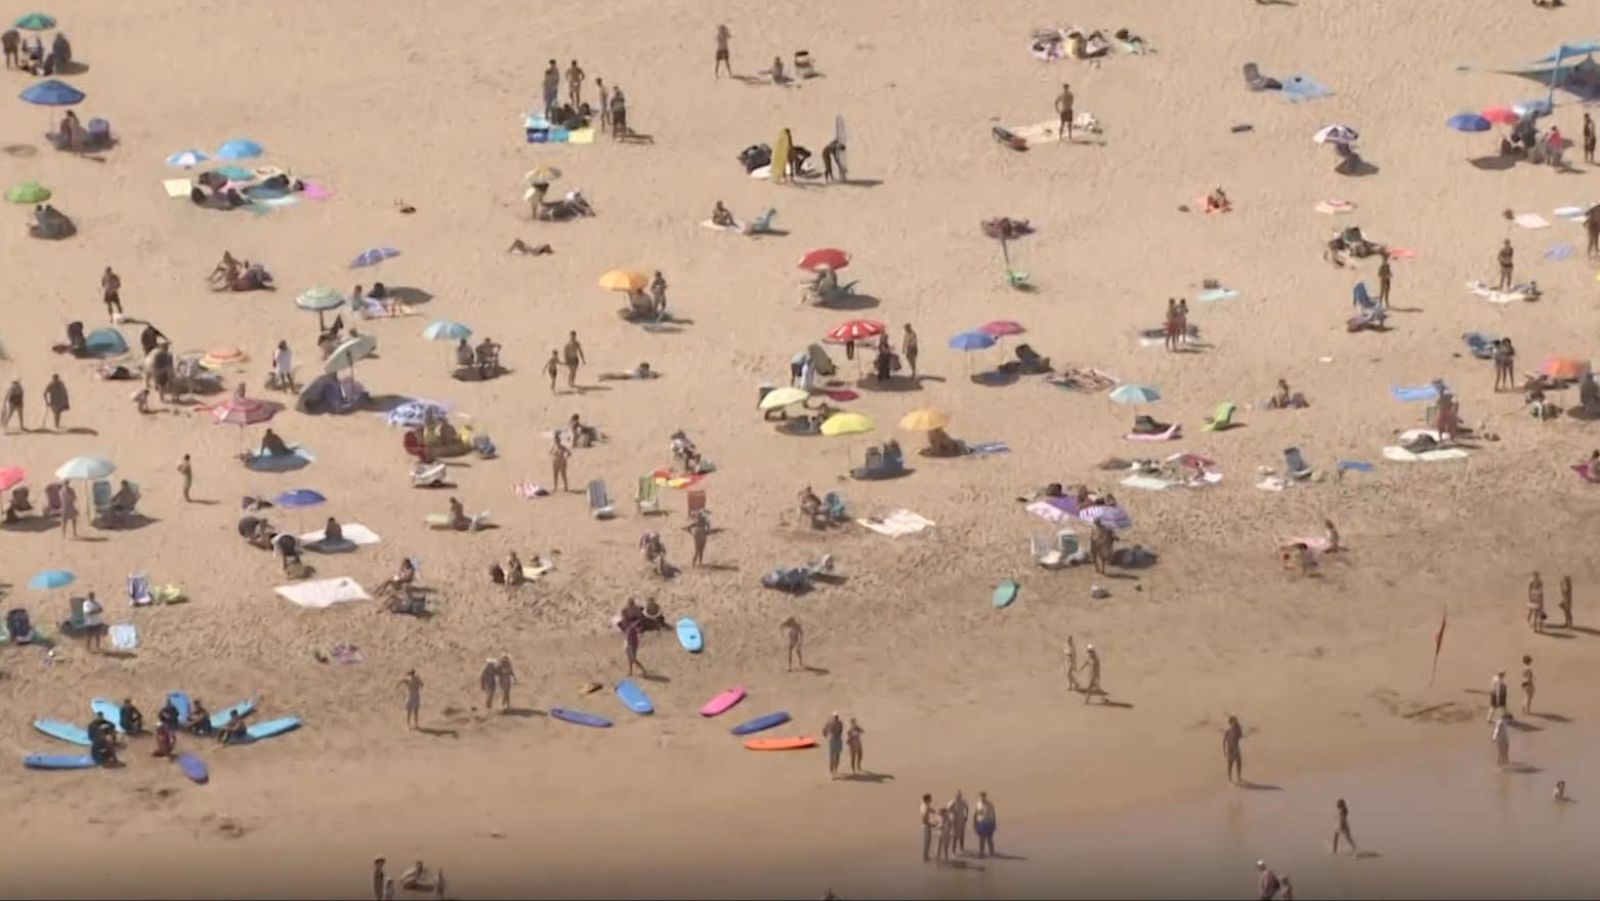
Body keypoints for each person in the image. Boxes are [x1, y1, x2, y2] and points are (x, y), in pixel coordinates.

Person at [973, 792, 997, 857]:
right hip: (981, 823)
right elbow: (975, 814)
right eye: (981, 796)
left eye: (984, 796)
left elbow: (994, 814)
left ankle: (991, 852)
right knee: (981, 838)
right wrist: (974, 824)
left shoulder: (990, 804)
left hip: (989, 822)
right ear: (980, 797)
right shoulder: (977, 804)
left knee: (989, 838)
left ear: (985, 796)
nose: (982, 798)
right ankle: (981, 851)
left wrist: (994, 824)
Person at [822, 713, 845, 779]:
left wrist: (837, 735)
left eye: (837, 717)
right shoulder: (829, 723)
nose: (836, 718)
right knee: (832, 756)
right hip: (832, 739)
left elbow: (841, 730)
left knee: (837, 755)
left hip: (838, 739)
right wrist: (828, 736)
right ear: (832, 717)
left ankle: (835, 770)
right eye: (835, 717)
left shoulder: (840, 723)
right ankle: (831, 772)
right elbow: (824, 731)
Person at [1223, 715, 1244, 784]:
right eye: (1234, 722)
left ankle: (1238, 776)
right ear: (1231, 723)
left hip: (1236, 749)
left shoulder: (1237, 731)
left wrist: (1239, 729)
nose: (1235, 723)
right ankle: (1229, 777)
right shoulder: (1228, 731)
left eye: (1236, 722)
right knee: (1230, 764)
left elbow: (1241, 736)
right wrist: (1224, 750)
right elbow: (1224, 741)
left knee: (1239, 763)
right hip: (1230, 749)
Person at [948, 790, 969, 854]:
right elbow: (948, 810)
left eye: (960, 795)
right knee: (955, 835)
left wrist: (966, 816)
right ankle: (953, 850)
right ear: (955, 796)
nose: (959, 797)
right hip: (955, 820)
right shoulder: (952, 802)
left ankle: (961, 847)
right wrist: (951, 817)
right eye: (958, 796)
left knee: (962, 834)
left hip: (962, 820)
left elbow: (967, 807)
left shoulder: (963, 801)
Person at [919, 794, 937, 861]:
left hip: (925, 825)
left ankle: (926, 856)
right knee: (927, 842)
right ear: (927, 799)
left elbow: (931, 810)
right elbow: (923, 818)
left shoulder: (925, 805)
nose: (931, 800)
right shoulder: (925, 807)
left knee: (928, 841)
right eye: (930, 799)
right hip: (926, 826)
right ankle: (925, 857)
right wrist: (931, 825)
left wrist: (933, 811)